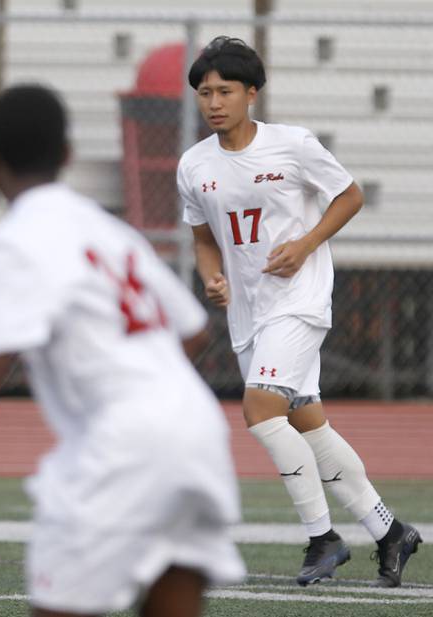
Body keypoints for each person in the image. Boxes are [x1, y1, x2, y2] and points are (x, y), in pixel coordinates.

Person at [0, 85, 259, 617]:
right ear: (66, 154)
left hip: (121, 446)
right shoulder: (110, 230)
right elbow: (194, 329)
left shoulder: (15, 239)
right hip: (196, 432)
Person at [177, 36, 422, 588]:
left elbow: (349, 195)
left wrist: (307, 243)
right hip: (249, 314)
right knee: (306, 422)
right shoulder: (194, 165)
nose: (213, 102)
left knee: (260, 410)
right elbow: (203, 238)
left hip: (301, 300)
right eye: (204, 92)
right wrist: (211, 276)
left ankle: (323, 539)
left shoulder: (292, 145)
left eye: (225, 91)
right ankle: (390, 532)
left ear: (251, 94)